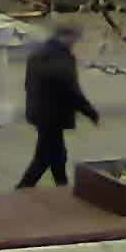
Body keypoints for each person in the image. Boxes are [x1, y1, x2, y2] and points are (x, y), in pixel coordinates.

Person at [18, 23, 98, 188]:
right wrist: (90, 112)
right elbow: (71, 91)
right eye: (74, 39)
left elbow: (29, 84)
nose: (76, 43)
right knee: (44, 158)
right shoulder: (61, 59)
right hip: (53, 115)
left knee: (56, 154)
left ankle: (62, 185)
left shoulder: (40, 54)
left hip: (40, 112)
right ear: (66, 37)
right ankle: (23, 188)